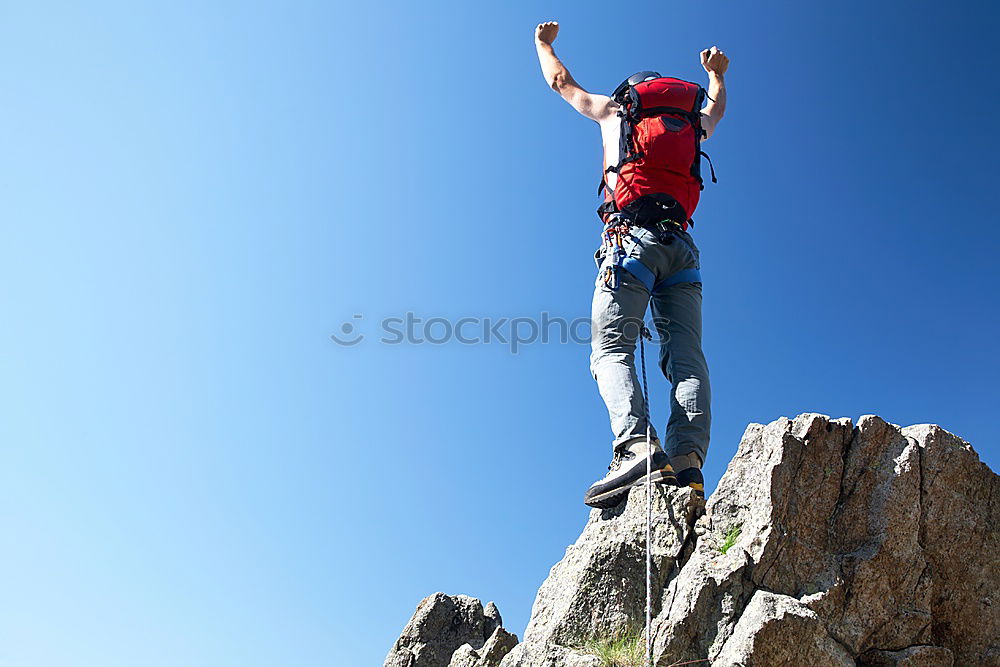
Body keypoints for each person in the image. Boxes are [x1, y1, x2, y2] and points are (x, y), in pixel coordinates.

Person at [533, 20, 729, 507]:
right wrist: (718, 77)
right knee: (687, 358)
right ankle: (688, 464)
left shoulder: (614, 112)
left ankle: (635, 446)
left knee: (611, 347)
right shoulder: (689, 124)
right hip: (683, 249)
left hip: (630, 240)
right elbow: (715, 113)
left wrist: (543, 44)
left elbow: (562, 84)